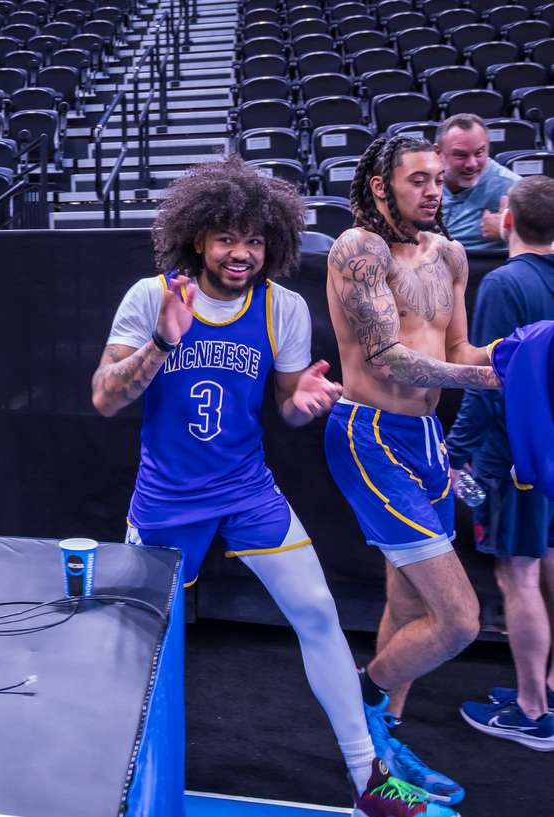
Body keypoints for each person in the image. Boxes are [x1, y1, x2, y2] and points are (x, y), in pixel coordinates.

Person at [91, 156, 451, 815]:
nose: (241, 252)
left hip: (246, 488)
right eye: (228, 236)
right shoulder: (153, 298)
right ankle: (109, 773)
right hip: (167, 499)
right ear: (198, 236)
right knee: (139, 642)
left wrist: (303, 401)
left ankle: (370, 781)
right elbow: (105, 397)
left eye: (255, 239)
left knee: (318, 613)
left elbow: (284, 406)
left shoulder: (280, 306)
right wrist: (162, 345)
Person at [324, 134, 502, 805]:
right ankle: (364, 703)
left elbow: (457, 347)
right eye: (418, 180)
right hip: (369, 436)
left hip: (426, 437)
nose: (434, 190)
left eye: (438, 180)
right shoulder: (357, 251)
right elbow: (388, 359)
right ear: (380, 186)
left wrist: (525, 350)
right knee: (457, 619)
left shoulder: (451, 254)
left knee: (408, 603)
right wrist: (493, 374)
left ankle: (383, 748)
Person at [445, 174, 554, 750]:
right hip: (552, 453)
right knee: (548, 566)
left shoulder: (504, 283)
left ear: (507, 220)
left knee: (519, 576)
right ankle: (548, 689)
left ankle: (534, 711)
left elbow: (486, 385)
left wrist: (456, 453)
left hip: (515, 458)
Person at [435, 113, 519, 253]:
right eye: (461, 155)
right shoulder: (420, 181)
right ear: (438, 152)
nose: (472, 164)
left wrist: (509, 230)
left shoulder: (511, 186)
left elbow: (546, 242)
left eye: (479, 153)